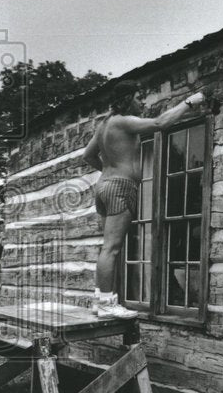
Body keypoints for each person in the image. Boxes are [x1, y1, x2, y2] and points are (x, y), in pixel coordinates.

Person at [82, 81, 205, 318]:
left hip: (104, 187)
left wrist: (110, 171)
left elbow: (88, 155)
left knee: (107, 247)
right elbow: (161, 123)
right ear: (128, 99)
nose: (141, 103)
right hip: (120, 187)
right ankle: (107, 305)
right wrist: (190, 102)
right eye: (138, 98)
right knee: (112, 248)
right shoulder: (124, 121)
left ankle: (101, 300)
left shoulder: (104, 125)